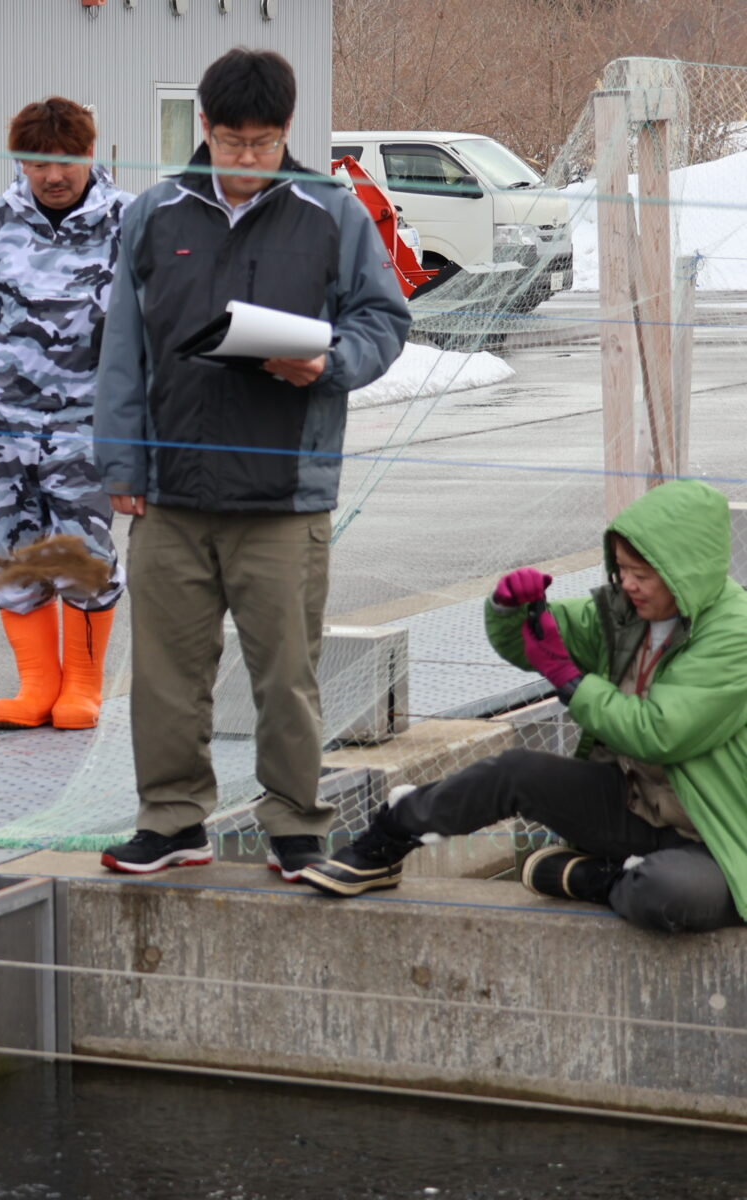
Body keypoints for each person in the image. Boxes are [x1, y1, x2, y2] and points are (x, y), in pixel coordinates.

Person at [93, 48, 410, 879]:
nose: (244, 159)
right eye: (231, 141)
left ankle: (297, 823)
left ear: (287, 133)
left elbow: (385, 319)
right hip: (170, 492)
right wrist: (122, 463)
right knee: (165, 674)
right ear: (203, 129)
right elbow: (121, 351)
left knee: (287, 673)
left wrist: (330, 360)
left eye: (262, 143)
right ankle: (171, 819)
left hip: (285, 495)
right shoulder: (155, 214)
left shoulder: (332, 213)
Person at [302, 481, 747, 933]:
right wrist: (511, 609)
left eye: (642, 574)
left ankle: (594, 878)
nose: (627, 583)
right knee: (514, 771)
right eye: (622, 569)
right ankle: (386, 840)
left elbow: (658, 733)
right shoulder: (625, 614)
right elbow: (535, 644)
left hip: (720, 836)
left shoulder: (735, 634)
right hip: (637, 806)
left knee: (667, 893)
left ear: (683, 571)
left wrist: (572, 682)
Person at [0, 97, 134, 732]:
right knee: (10, 551)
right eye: (37, 163)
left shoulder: (131, 223)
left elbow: (153, 329)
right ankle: (37, 684)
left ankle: (82, 684)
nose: (53, 176)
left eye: (66, 161)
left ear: (90, 153)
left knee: (83, 551)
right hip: (4, 427)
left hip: (88, 425)